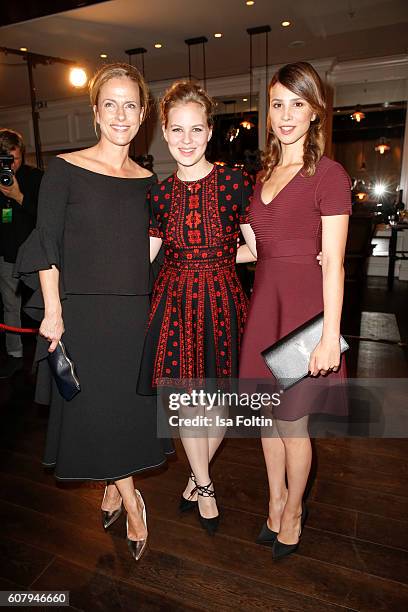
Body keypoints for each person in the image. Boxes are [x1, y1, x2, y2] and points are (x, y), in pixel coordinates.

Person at [16, 62, 173, 562]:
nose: (121, 114)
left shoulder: (150, 181)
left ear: (144, 113)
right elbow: (48, 245)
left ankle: (112, 488)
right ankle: (132, 500)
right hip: (82, 316)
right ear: (96, 112)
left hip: (134, 319)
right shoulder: (64, 170)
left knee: (120, 416)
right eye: (111, 104)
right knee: (95, 413)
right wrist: (54, 313)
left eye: (131, 104)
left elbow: (157, 252)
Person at [239, 62, 351, 559]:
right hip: (264, 306)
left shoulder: (328, 174)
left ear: (314, 113)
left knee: (293, 423)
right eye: (278, 104)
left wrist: (330, 334)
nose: (285, 115)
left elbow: (335, 263)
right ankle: (275, 498)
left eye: (297, 104)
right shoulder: (262, 174)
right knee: (267, 418)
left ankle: (295, 511)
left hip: (304, 313)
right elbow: (257, 250)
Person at [138, 81, 255, 534]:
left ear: (209, 133)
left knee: (219, 405)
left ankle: (194, 476)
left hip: (224, 300)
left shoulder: (234, 182)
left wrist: (314, 255)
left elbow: (258, 250)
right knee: (189, 405)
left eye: (196, 130)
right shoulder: (159, 195)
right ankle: (205, 487)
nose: (186, 140)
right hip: (176, 303)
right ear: (165, 134)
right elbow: (146, 256)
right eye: (176, 130)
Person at [0, 129, 43, 378]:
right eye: (4, 160)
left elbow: (44, 217)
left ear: (22, 155)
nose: (10, 165)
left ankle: (45, 356)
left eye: (13, 159)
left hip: (35, 256)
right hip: (6, 256)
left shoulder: (35, 178)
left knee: (43, 306)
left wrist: (17, 196)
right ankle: (15, 356)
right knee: (10, 307)